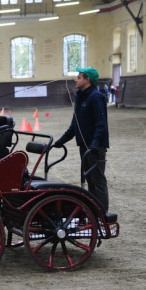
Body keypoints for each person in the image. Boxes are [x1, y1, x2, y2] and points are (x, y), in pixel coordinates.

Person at [53, 67, 110, 213]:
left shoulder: (96, 97)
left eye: (79, 77)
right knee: (89, 179)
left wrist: (95, 145)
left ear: (87, 80)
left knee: (98, 181)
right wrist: (60, 141)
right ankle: (93, 211)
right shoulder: (80, 97)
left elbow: (101, 124)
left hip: (94, 147)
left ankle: (102, 213)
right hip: (84, 146)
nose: (75, 80)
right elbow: (75, 125)